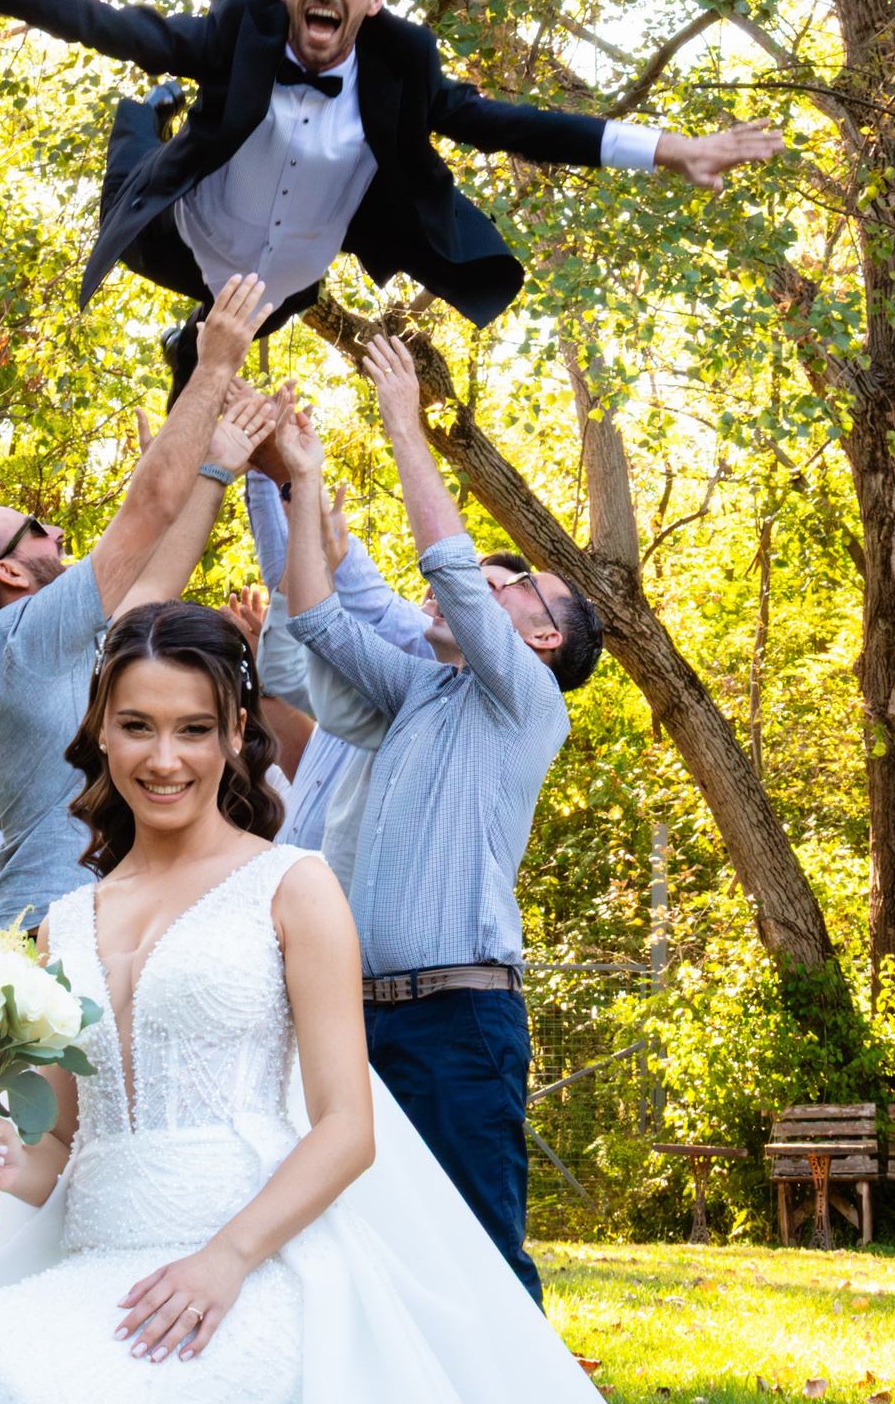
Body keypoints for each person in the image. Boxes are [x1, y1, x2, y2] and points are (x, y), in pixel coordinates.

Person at [0, 605, 603, 1404]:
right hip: (96, 1256)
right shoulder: (64, 924)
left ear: (234, 735)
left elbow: (348, 1128)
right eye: (137, 726)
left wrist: (224, 1261)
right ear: (101, 733)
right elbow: (61, 1143)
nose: (163, 758)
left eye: (193, 729)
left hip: (254, 1258)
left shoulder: (294, 888)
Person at [0, 0, 782, 394]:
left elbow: (513, 123)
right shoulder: (240, 32)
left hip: (283, 283)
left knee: (220, 358)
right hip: (183, 237)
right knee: (137, 145)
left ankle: (192, 349)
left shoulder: (401, 71)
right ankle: (148, 114)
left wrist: (669, 147)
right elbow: (106, 21)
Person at [275, 336, 604, 1305]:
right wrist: (299, 485)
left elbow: (454, 570)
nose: (492, 585)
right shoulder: (420, 693)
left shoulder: (529, 705)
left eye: (518, 586)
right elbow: (318, 623)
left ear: (541, 636)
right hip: (362, 1023)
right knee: (369, 1256)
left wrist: (401, 421)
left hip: (460, 1025)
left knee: (479, 1262)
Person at [0, 275, 283, 931]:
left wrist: (217, 467)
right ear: (7, 570)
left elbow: (157, 584)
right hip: (41, 932)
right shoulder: (14, 640)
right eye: (34, 528)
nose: (55, 530)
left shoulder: (67, 646)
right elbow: (149, 507)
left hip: (108, 925)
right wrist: (212, 367)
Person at [242, 467, 436, 870]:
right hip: (290, 891)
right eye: (432, 588)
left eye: (490, 589)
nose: (439, 592)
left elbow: (368, 603)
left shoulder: (434, 678)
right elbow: (289, 590)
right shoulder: (355, 688)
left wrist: (291, 476)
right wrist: (263, 472)